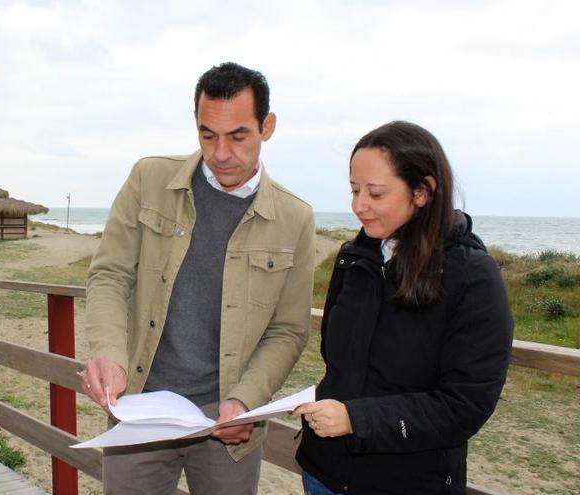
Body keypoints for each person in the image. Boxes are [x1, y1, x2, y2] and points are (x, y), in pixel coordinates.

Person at [80, 61, 315, 494]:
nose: (221, 153)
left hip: (228, 422)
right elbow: (110, 275)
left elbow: (287, 330)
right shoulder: (147, 179)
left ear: (267, 126)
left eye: (238, 135)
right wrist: (108, 354)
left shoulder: (295, 218)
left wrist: (244, 401)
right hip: (140, 408)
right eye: (208, 134)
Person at [293, 121, 513, 495]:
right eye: (354, 190)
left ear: (423, 191)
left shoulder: (473, 277)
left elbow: (466, 405)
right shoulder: (354, 258)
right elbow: (337, 359)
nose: (358, 206)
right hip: (324, 473)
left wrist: (356, 419)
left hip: (408, 481)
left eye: (376, 194)